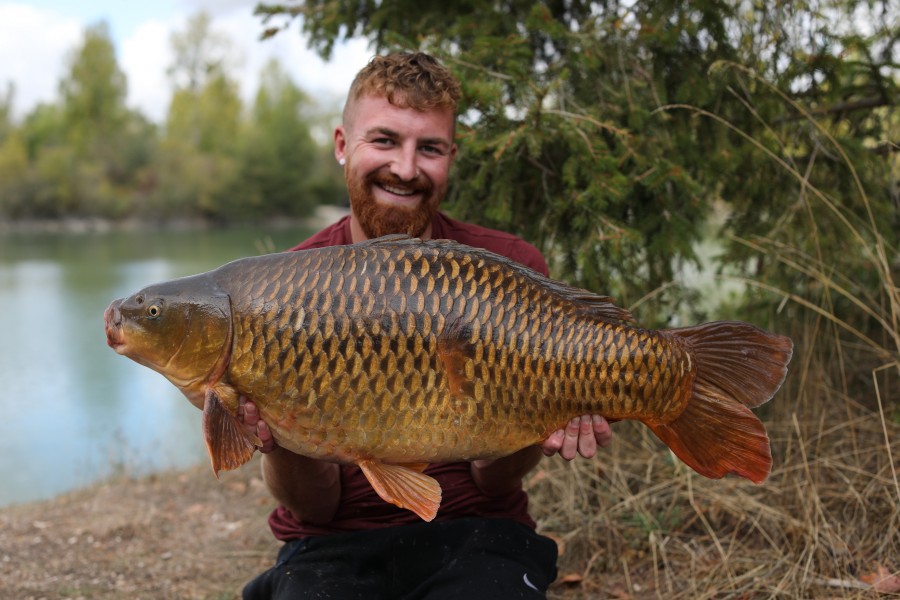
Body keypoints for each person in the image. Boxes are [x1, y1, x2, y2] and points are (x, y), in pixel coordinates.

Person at [240, 52, 612, 600]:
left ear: (450, 158)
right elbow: (315, 507)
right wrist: (277, 434)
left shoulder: (508, 269)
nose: (406, 168)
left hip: (478, 532)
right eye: (385, 140)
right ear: (343, 144)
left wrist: (546, 411)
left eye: (429, 148)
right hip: (332, 545)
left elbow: (494, 481)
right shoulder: (280, 291)